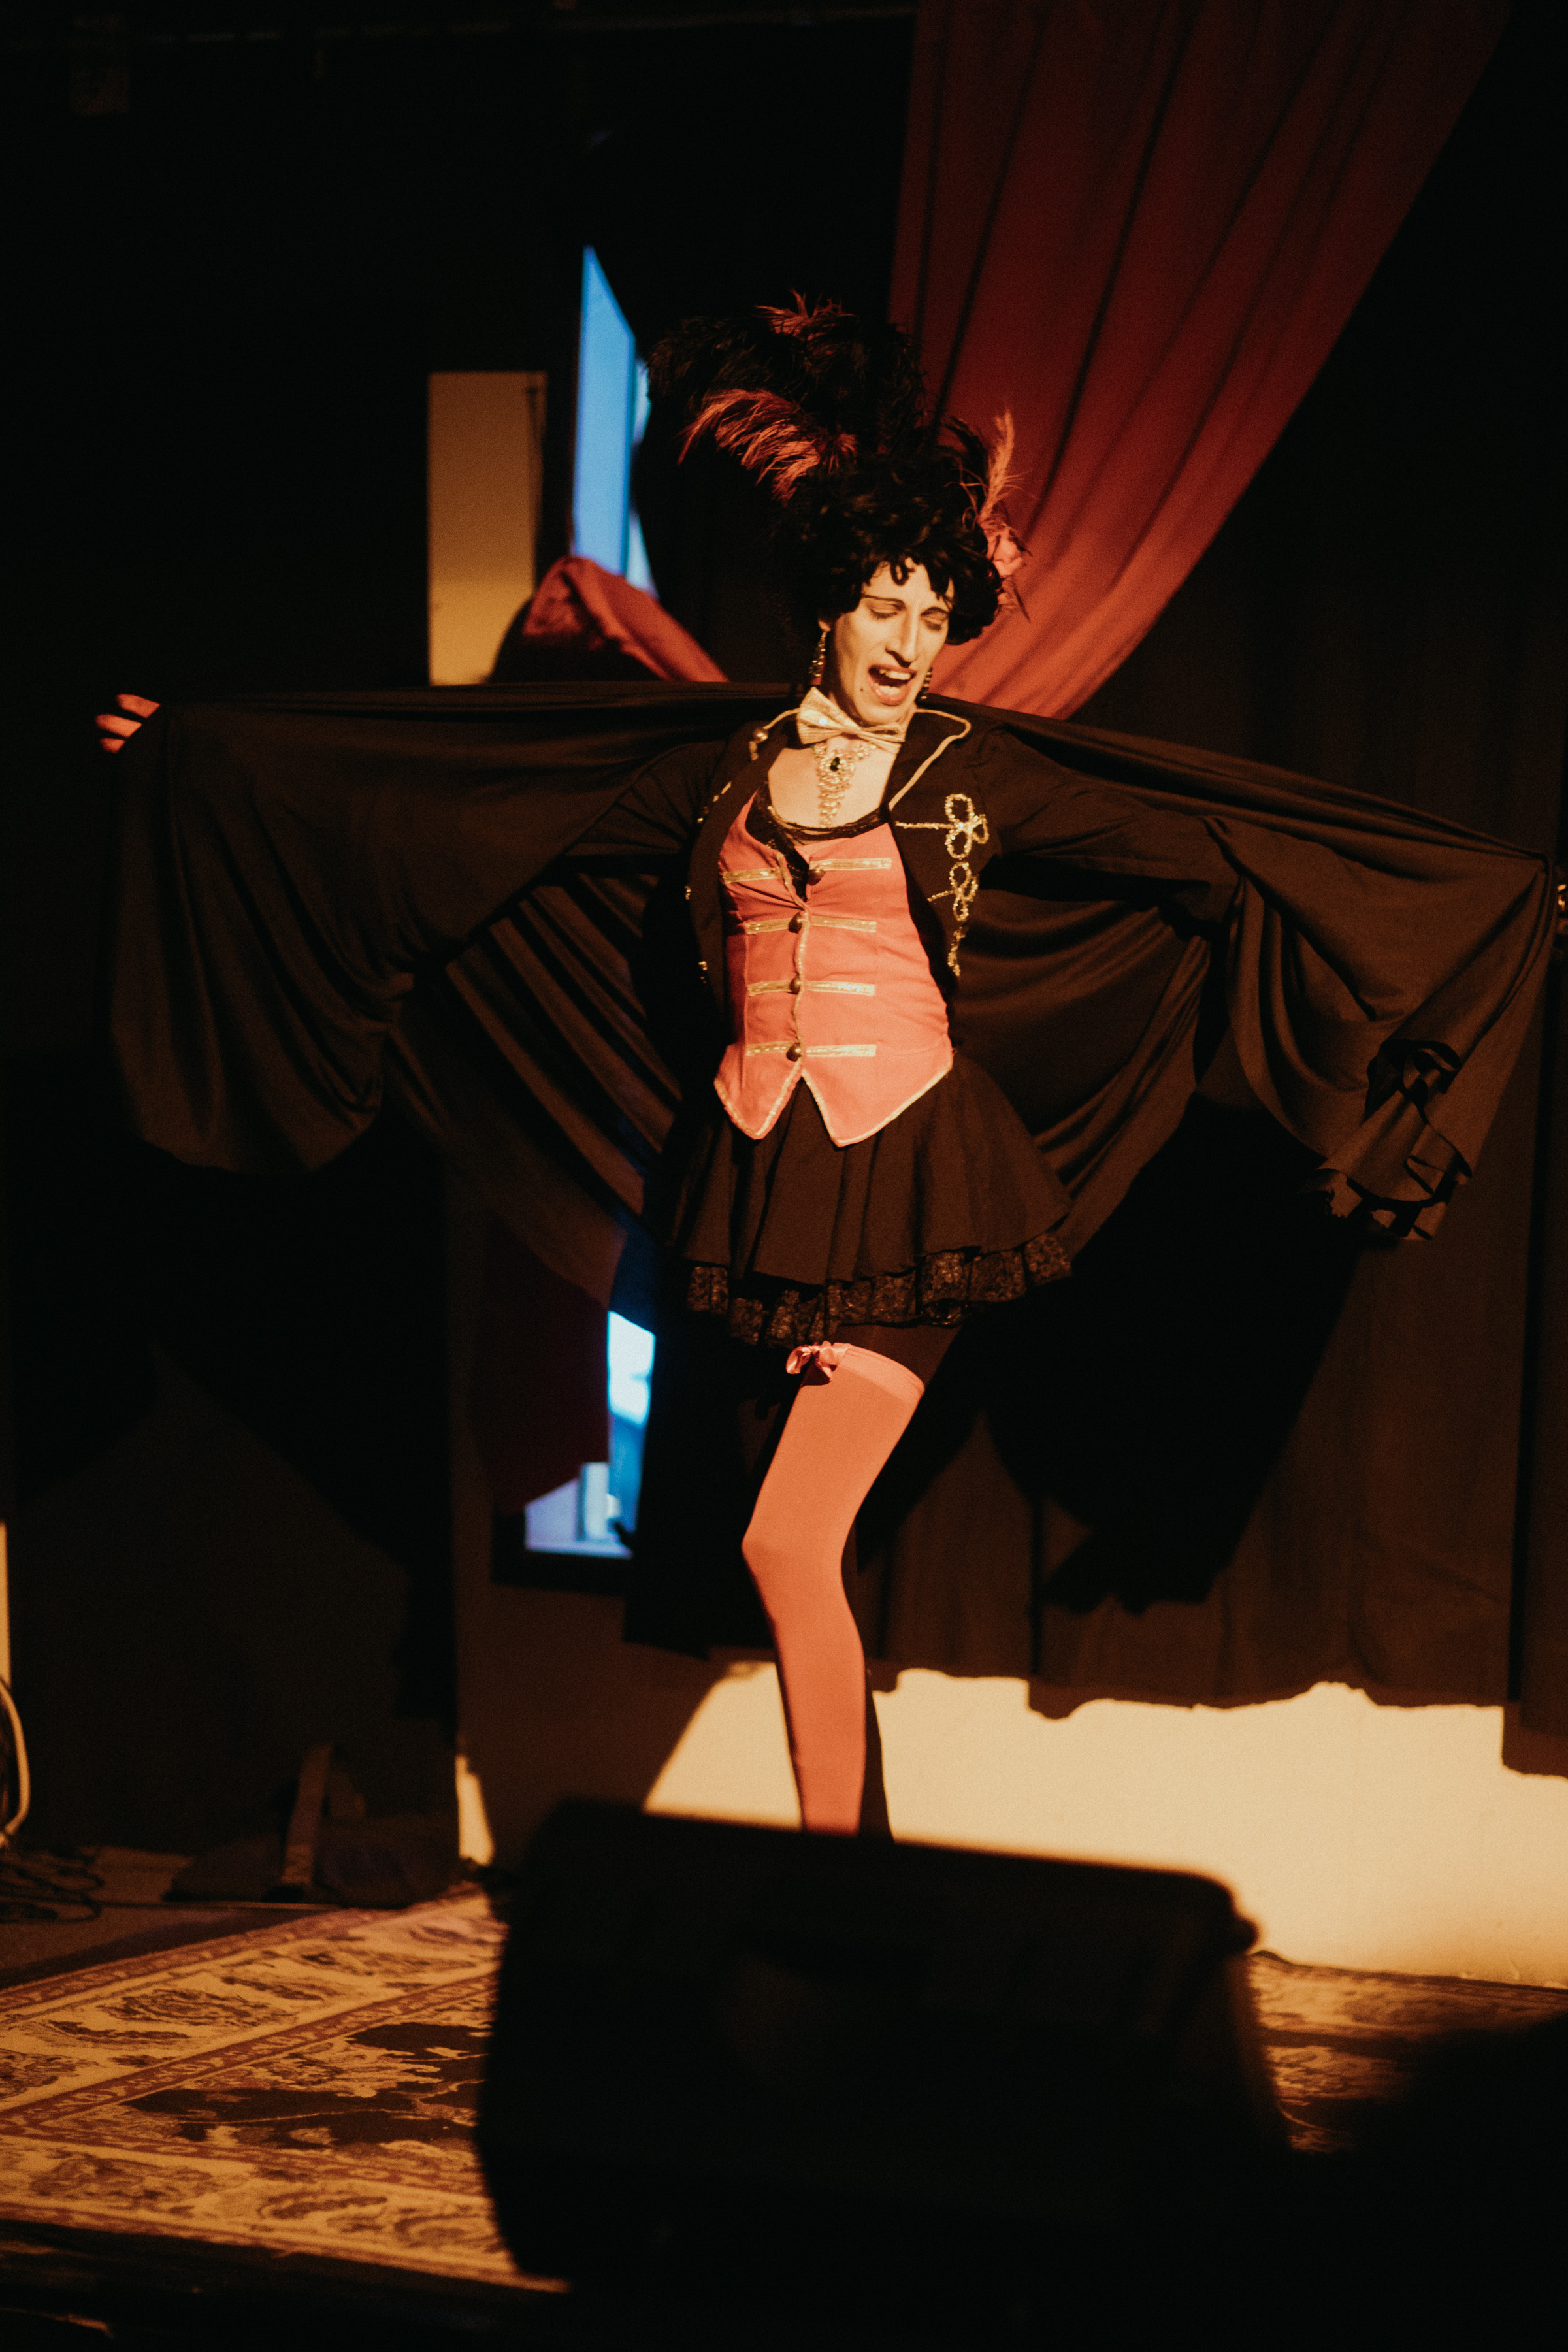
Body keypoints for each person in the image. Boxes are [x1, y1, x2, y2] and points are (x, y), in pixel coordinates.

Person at [98, 302, 1559, 1837]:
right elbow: (467, 809)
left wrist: (1476, 899)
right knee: (796, 1550)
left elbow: (1213, 843)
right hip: (763, 1189)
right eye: (885, 606)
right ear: (829, 606)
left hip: (922, 1182)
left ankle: (837, 1884)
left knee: (785, 1544)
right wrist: (208, 756)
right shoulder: (719, 770)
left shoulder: (975, 773)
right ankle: (859, 1868)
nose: (910, 641)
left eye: (933, 612)